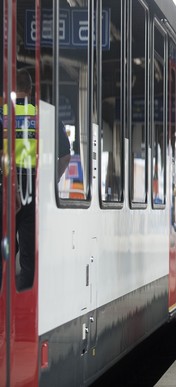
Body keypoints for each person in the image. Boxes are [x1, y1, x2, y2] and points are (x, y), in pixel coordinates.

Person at [10, 69, 70, 289]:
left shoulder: (3, 112)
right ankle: (23, 300)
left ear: (11, 88)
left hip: (6, 191)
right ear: (31, 89)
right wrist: (47, 182)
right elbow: (65, 156)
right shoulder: (45, 116)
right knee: (28, 259)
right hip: (32, 194)